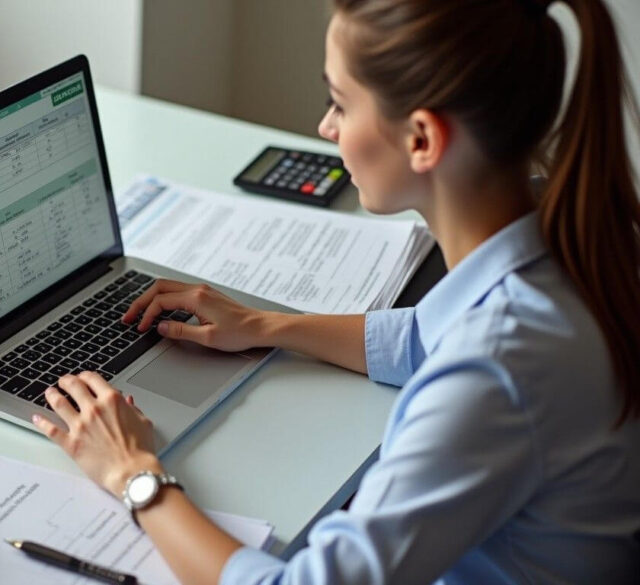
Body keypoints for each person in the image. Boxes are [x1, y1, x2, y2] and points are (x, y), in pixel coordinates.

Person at [33, 0, 640, 582]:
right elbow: (425, 335)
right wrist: (266, 325)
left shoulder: (498, 368)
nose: (325, 128)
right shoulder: (568, 237)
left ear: (422, 139)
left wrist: (135, 476)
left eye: (341, 104)